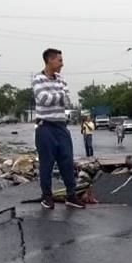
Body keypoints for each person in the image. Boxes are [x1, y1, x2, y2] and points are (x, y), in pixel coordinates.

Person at [32, 48, 84, 210]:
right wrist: (59, 95)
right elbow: (44, 99)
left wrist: (56, 96)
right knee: (47, 163)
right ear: (50, 60)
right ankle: (46, 196)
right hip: (45, 127)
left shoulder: (61, 79)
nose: (62, 64)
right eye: (59, 60)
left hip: (61, 127)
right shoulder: (37, 79)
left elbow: (67, 101)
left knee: (67, 161)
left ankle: (71, 195)